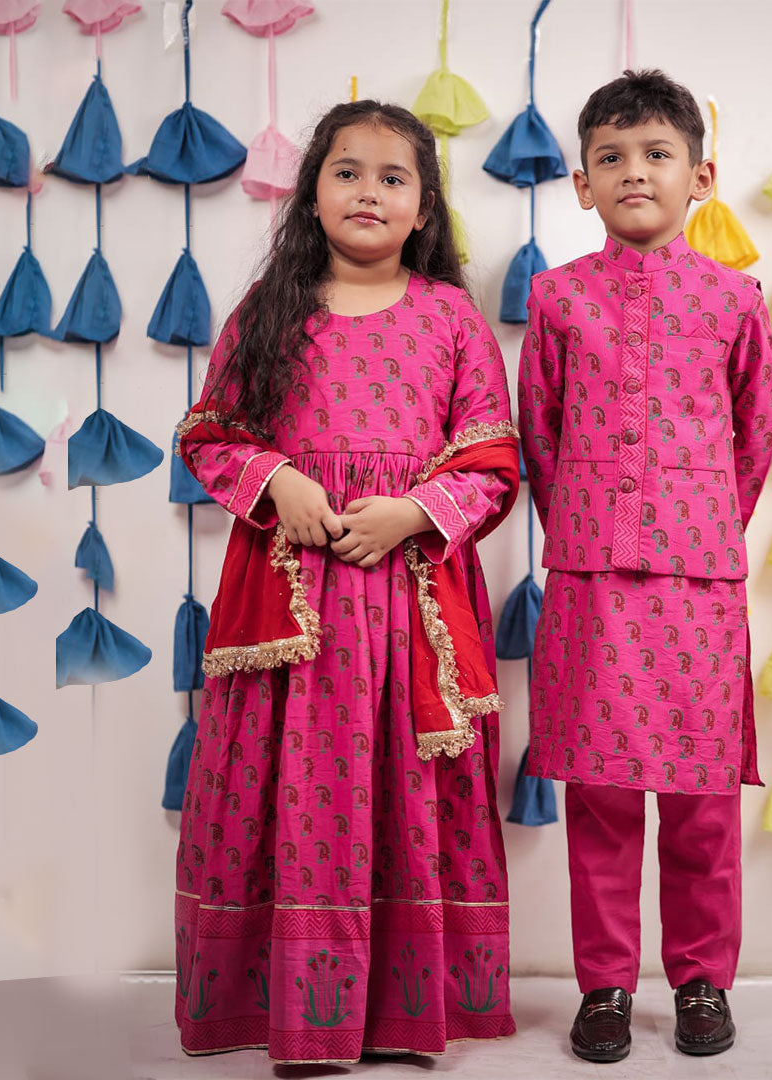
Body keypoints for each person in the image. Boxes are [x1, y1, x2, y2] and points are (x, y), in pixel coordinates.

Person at [173, 100, 519, 1065]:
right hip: (292, 606)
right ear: (313, 195)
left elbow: (492, 457)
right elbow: (210, 434)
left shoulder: (451, 316)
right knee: (287, 784)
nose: (369, 191)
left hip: (409, 603)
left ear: (423, 210)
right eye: (347, 171)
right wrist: (276, 480)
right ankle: (294, 1013)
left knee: (404, 782)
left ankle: (405, 1013)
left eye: (393, 177)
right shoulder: (267, 311)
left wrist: (415, 512)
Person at [518, 69, 772, 1062]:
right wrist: (589, 527)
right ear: (582, 184)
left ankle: (704, 980)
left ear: (700, 176)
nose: (635, 172)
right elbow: (536, 435)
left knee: (703, 801)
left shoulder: (734, 300)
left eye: (657, 154)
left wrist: (700, 525)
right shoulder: (556, 300)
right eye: (611, 158)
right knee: (599, 799)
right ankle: (605, 990)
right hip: (589, 583)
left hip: (700, 589)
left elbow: (756, 434)